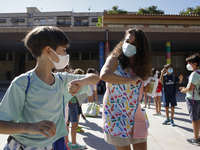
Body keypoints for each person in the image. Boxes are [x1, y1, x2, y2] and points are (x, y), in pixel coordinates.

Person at [0, 26, 99, 150]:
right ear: (48, 51)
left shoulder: (62, 80)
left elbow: (95, 78)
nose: (66, 55)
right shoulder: (22, 83)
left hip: (52, 145)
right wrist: (29, 127)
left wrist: (82, 81)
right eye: (64, 50)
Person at [100, 28, 151, 150]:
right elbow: (104, 75)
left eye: (133, 44)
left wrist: (144, 88)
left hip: (135, 114)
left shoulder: (140, 64)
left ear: (140, 48)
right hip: (116, 115)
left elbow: (135, 88)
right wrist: (131, 81)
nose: (128, 45)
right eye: (127, 41)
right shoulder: (114, 58)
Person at [179, 54, 200, 146]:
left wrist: (184, 90)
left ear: (194, 64)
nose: (188, 65)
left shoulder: (194, 74)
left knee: (194, 119)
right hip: (198, 98)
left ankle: (196, 139)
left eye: (189, 63)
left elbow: (190, 88)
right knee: (198, 118)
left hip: (193, 99)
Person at [65, 68, 87, 149]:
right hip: (73, 103)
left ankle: (67, 143)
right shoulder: (74, 80)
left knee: (67, 124)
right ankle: (74, 144)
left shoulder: (66, 78)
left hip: (67, 103)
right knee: (74, 124)